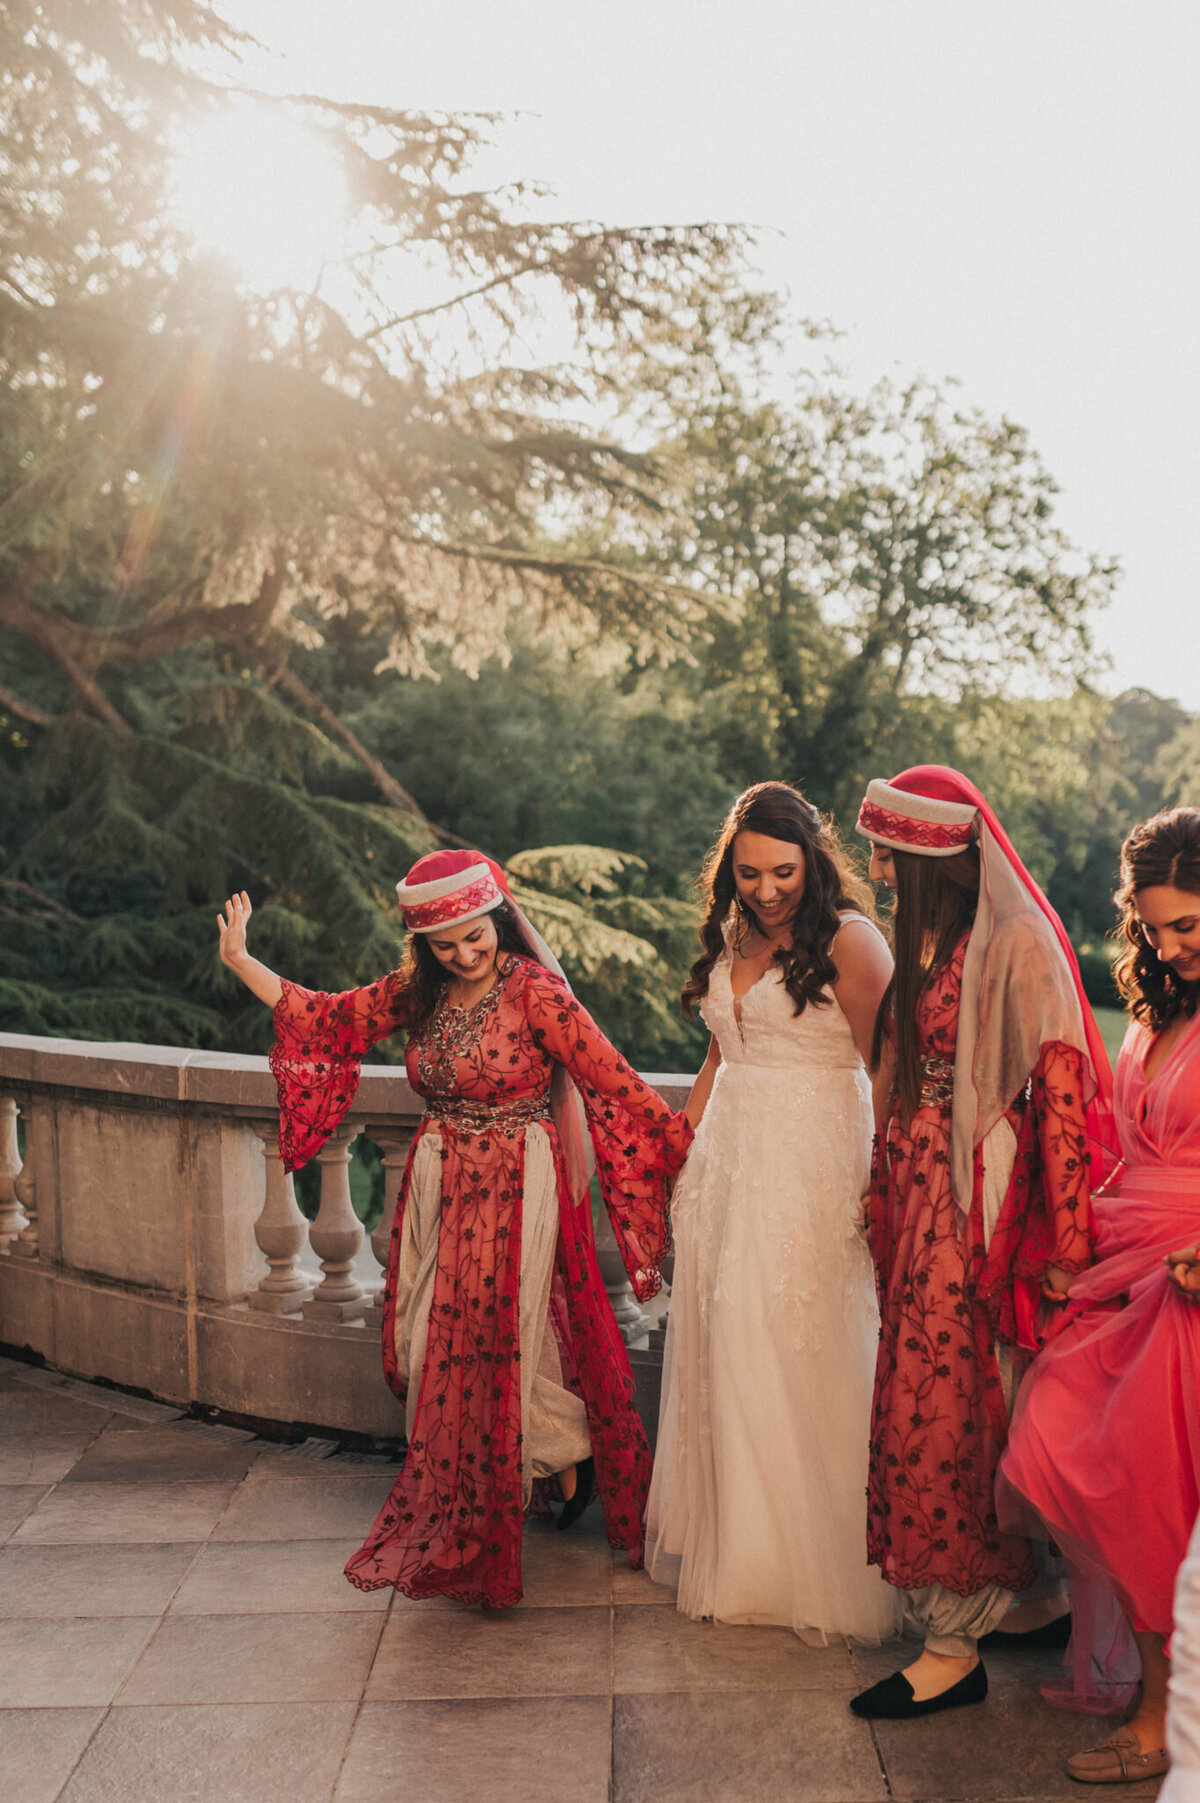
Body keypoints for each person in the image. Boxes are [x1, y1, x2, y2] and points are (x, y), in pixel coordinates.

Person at [217, 848, 692, 1610]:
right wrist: (243, 961)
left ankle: (549, 1472)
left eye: (478, 936)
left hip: (519, 1178)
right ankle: (569, 1461)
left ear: (498, 917)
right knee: (430, 1344)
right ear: (424, 946)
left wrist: (681, 1143)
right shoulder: (422, 990)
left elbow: (613, 1078)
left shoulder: (535, 993)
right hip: (442, 1180)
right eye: (447, 945)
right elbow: (328, 1018)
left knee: (501, 1343)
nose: (467, 954)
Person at [848, 766, 1113, 1721]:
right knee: (936, 1393)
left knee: (951, 1406)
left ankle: (952, 1643)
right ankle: (1014, 1603)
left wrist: (1069, 1240)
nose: (874, 867)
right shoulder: (940, 938)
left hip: (976, 1205)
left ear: (932, 857)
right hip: (927, 1196)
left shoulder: (1018, 943)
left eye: (887, 851)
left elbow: (1064, 1091)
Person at [644, 781, 904, 1645]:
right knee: (725, 1340)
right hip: (729, 1160)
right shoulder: (734, 932)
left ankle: (813, 1566)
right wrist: (679, 1149)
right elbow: (722, 1049)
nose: (766, 889)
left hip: (810, 1162)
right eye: (749, 872)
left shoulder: (852, 941)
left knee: (798, 1343)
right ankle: (741, 1546)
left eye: (783, 871)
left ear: (814, 857)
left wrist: (878, 1179)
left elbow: (887, 1071)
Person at [999, 807, 1200, 1784]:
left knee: (1151, 1499)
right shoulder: (1167, 1009)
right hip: (1129, 1262)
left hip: (1193, 1279)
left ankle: (1164, 1716)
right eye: (1155, 929)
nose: (1168, 947)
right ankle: (1163, 1689)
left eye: (1189, 927)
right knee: (1054, 1444)